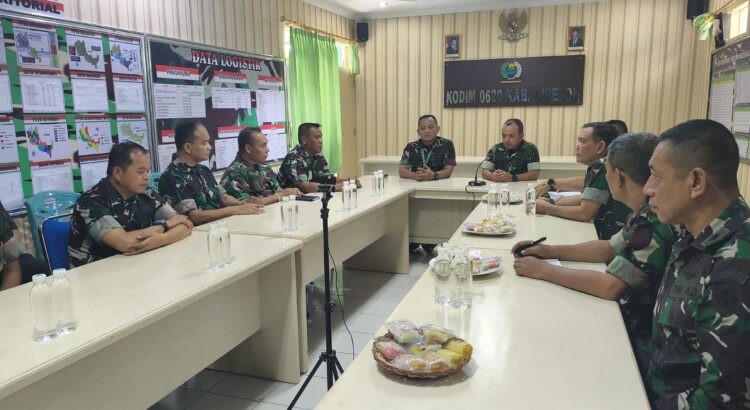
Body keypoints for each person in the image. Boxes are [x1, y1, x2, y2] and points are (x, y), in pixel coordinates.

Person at [512, 133, 675, 383]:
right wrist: (549, 251)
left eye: (606, 170)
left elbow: (610, 287)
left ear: (618, 176)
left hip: (640, 338)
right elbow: (608, 248)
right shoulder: (643, 211)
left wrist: (544, 270)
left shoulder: (653, 221)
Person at [643, 120, 750, 409]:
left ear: (697, 182)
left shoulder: (736, 265)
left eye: (656, 176)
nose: (648, 188)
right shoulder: (695, 234)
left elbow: (720, 400)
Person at [68, 142, 193, 267]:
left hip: (135, 265)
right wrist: (165, 225)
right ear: (118, 173)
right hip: (95, 272)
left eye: (148, 171)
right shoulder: (90, 201)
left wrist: (162, 239)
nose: (146, 177)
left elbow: (184, 224)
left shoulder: (147, 194)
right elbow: (126, 243)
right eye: (140, 172)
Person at [535, 122, 631, 240]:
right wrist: (550, 203)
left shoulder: (602, 167)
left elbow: (584, 213)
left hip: (610, 239)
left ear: (600, 147)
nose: (576, 146)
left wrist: (546, 208)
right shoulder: (603, 164)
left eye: (583, 141)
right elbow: (587, 199)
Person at [158, 121, 264, 225]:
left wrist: (243, 203)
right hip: (199, 232)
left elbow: (223, 197)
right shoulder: (172, 176)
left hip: (219, 225)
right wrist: (234, 210)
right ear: (188, 148)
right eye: (204, 143)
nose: (210, 147)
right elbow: (193, 217)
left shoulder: (203, 170)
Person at [535, 119, 628, 199]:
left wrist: (548, 203)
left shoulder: (609, 166)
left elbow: (585, 209)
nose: (576, 147)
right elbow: (588, 187)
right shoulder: (599, 166)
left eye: (583, 141)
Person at [220, 127, 302, 205]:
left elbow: (278, 189)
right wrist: (279, 196)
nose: (267, 150)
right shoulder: (235, 172)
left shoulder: (263, 164)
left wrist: (291, 193)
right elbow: (246, 206)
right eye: (263, 146)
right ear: (248, 149)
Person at [278, 123, 359, 193]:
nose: (321, 141)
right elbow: (306, 187)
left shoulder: (317, 154)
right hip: (289, 202)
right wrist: (336, 188)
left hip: (312, 198)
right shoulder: (293, 157)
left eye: (321, 137)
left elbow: (329, 178)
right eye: (317, 137)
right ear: (304, 140)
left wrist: (348, 182)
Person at [399, 114, 456, 182]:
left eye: (430, 127)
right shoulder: (411, 146)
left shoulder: (447, 144)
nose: (427, 131)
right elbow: (402, 170)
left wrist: (433, 176)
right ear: (418, 132)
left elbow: (448, 170)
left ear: (438, 129)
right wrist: (416, 176)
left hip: (439, 183)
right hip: (416, 183)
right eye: (423, 128)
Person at [481, 118, 540, 182]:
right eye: (504, 136)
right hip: (500, 187)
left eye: (511, 136)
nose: (506, 140)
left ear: (521, 136)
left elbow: (535, 174)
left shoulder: (530, 149)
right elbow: (484, 172)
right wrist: (492, 176)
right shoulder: (495, 149)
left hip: (521, 187)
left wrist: (512, 178)